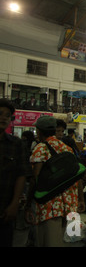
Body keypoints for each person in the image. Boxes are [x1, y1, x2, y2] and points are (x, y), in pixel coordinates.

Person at [26, 115, 85, 247]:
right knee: (64, 241)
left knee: (48, 242)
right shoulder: (67, 148)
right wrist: (81, 199)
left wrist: (28, 204)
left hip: (49, 205)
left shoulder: (41, 148)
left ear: (39, 131)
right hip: (69, 204)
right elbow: (76, 176)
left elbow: (35, 179)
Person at [0, 99, 33, 247]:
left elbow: (21, 174)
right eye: (0, 114)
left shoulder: (16, 144)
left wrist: (14, 204)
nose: (4, 118)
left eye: (8, 115)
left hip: (5, 209)